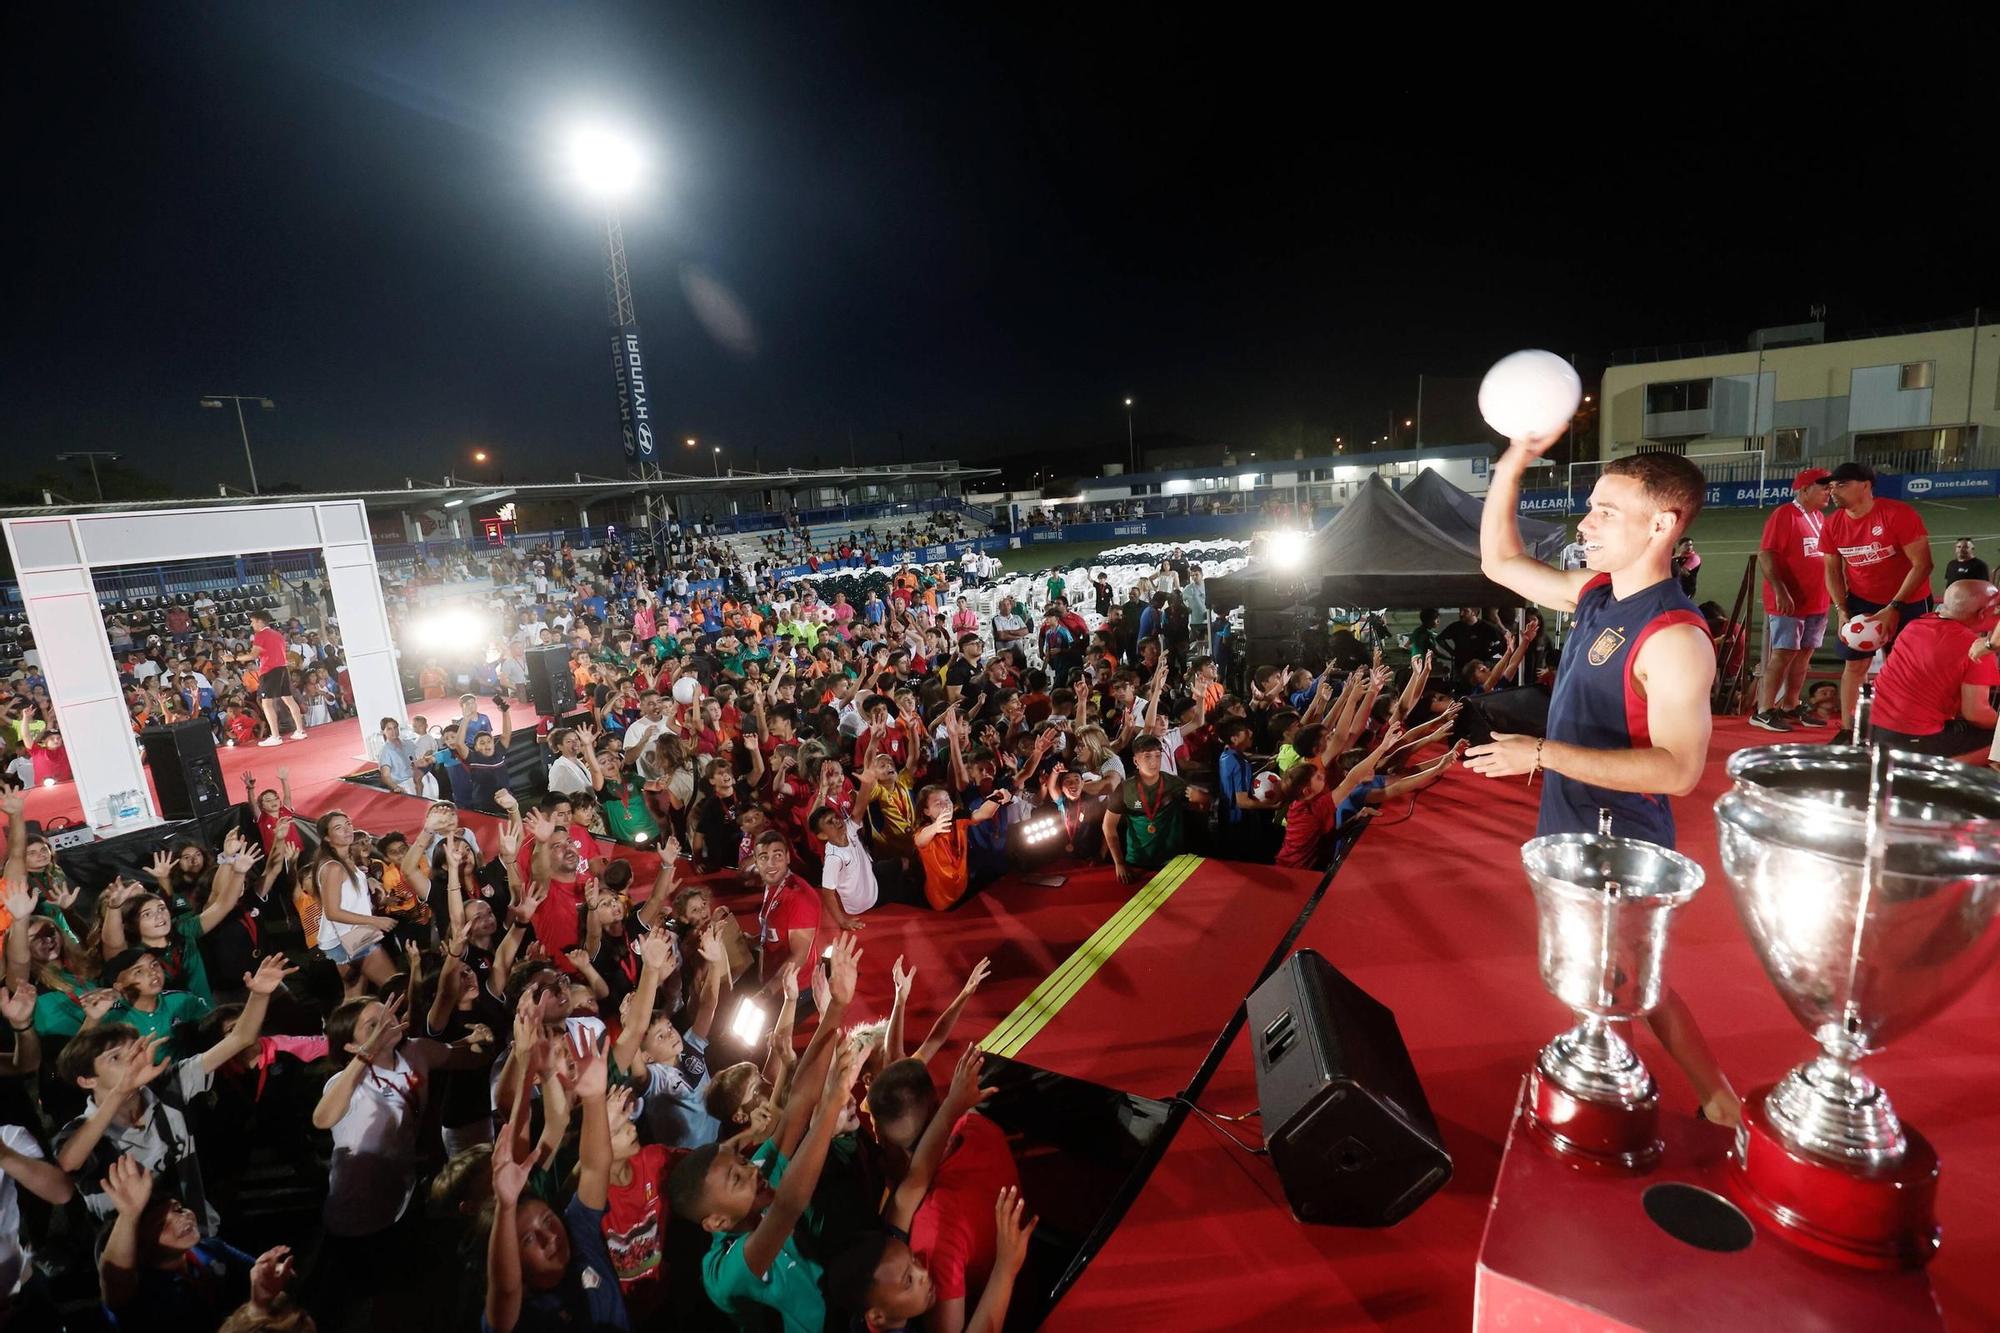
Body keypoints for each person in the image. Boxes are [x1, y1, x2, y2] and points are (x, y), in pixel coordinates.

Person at [1469, 420, 1738, 1127]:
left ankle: (1640, 1102)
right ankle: (1709, 1096)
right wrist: (1513, 462)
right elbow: (1501, 561)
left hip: (1620, 831)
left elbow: (1680, 770)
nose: (1585, 522)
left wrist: (1540, 753)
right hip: (1574, 816)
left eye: (1606, 511)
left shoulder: (1675, 637)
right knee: (1619, 973)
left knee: (1613, 976)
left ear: (1662, 523)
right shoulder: (1597, 594)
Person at [1822, 460, 1934, 738]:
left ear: (1866, 486)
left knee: (1908, 667)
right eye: (1832, 486)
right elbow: (1832, 570)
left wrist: (1894, 607)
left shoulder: (1897, 515)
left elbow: (1923, 564)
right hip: (1862, 600)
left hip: (1909, 601)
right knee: (1855, 664)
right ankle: (1849, 730)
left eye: (1842, 485)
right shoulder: (1833, 524)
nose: (1834, 491)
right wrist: (1842, 609)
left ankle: (1908, 729)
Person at [1867, 579, 2000, 756]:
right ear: (1983, 613)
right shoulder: (1977, 649)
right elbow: (1976, 713)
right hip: (1913, 738)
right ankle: (1934, 769)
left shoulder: (1915, 626)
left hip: (1870, 729)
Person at [1750, 468, 1832, 732]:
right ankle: (1763, 710)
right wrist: (1779, 590)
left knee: (1804, 655)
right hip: (1790, 601)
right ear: (1805, 489)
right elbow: (1767, 554)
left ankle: (1790, 704)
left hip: (1816, 600)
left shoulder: (1819, 517)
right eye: (1823, 488)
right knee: (1783, 654)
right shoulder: (1785, 514)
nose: (1828, 492)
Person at [248, 610, 307, 745]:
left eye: (252, 621)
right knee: (289, 700)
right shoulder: (278, 634)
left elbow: (252, 656)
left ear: (259, 621)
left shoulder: (260, 635)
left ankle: (275, 736)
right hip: (282, 669)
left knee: (266, 703)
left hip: (269, 671)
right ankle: (300, 731)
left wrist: (233, 658)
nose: (251, 624)